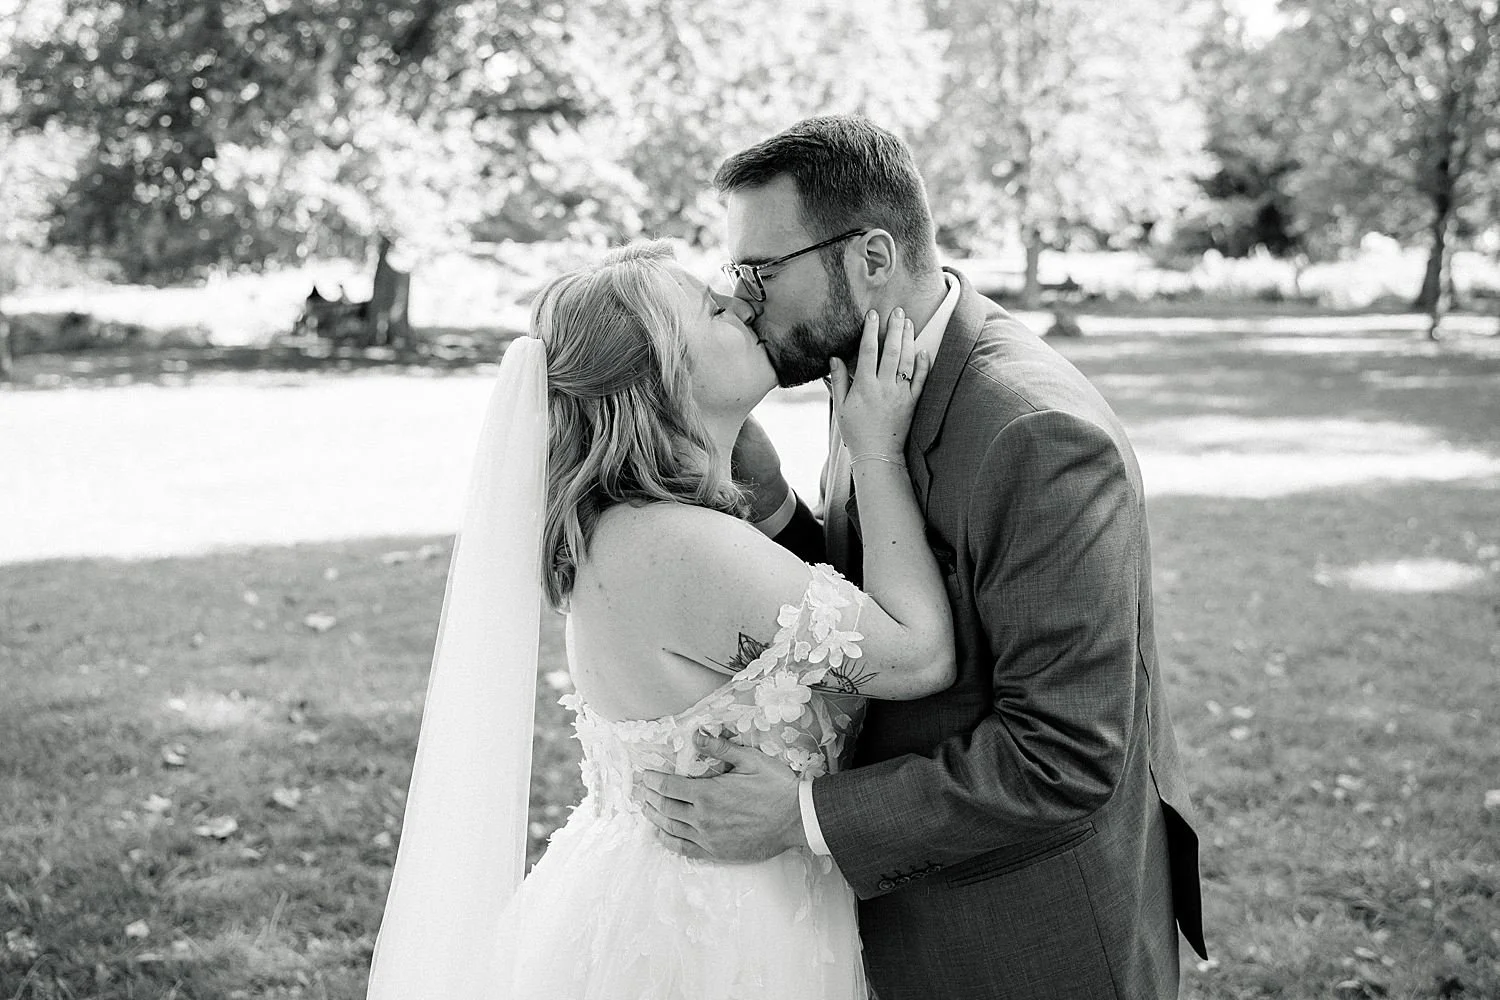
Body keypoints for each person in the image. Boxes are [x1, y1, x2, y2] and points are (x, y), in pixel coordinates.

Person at [637, 115, 1208, 998]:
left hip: (1024, 940)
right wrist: (780, 509)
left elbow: (1063, 754)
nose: (743, 300)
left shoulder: (1038, 435)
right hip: (907, 920)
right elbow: (868, 598)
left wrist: (802, 816)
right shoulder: (870, 371)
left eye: (761, 271)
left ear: (871, 258)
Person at [366, 240, 959, 999]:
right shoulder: (675, 545)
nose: (743, 303)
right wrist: (876, 452)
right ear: (662, 376)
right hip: (713, 934)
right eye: (713, 310)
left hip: (685, 898)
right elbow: (920, 657)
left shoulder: (639, 527)